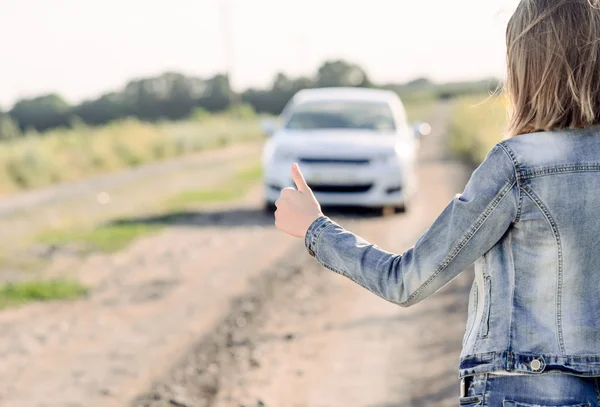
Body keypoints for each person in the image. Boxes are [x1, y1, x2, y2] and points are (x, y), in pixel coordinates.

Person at [274, 0, 600, 405]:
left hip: (522, 391)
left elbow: (405, 281)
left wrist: (314, 229)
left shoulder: (518, 166)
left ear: (528, 66)